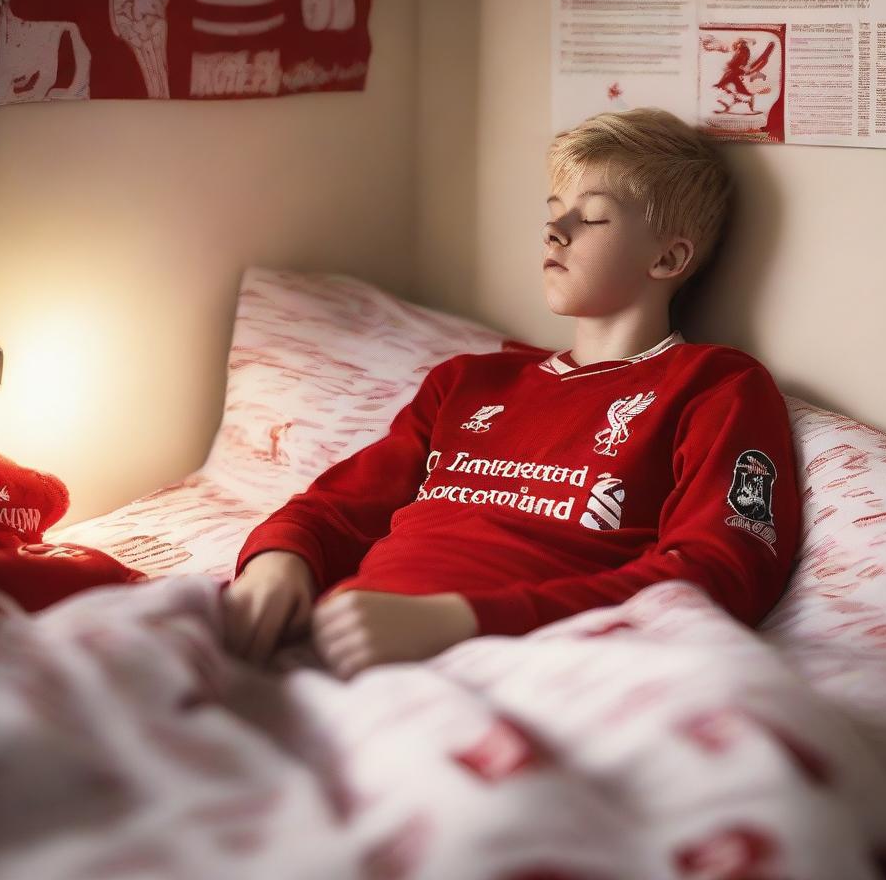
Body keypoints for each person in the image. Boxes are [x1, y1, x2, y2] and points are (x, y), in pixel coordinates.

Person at [221, 107, 802, 679]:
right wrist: (279, 562)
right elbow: (337, 508)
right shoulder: (469, 382)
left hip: (512, 665)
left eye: (592, 218)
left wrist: (462, 621)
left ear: (669, 257)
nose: (556, 230)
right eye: (555, 213)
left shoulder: (715, 385)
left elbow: (719, 572)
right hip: (334, 641)